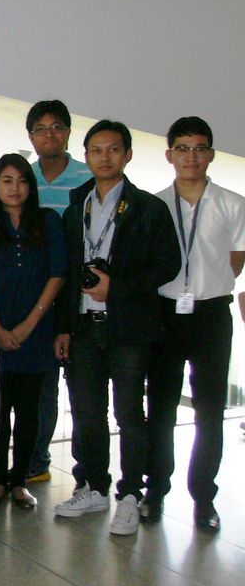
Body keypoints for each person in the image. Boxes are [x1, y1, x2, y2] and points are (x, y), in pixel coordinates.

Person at [53, 120, 180, 536]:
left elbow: (167, 265)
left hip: (129, 327)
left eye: (113, 150)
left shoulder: (148, 208)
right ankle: (93, 486)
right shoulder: (77, 208)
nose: (104, 158)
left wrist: (118, 289)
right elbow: (67, 275)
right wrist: (64, 326)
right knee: (88, 412)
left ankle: (130, 494)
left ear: (127, 155)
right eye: (96, 151)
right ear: (85, 156)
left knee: (129, 414)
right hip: (85, 327)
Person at [143, 117, 245, 531]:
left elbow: (235, 263)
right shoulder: (153, 205)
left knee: (209, 412)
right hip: (164, 315)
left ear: (211, 155)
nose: (191, 156)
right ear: (169, 155)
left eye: (200, 148)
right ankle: (155, 490)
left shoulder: (234, 204)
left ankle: (204, 497)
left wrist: (205, 284)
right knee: (161, 408)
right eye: (182, 148)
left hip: (211, 315)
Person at [0, 154, 66, 509]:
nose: (14, 188)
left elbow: (57, 274)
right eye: (6, 180)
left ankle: (20, 480)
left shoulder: (48, 222)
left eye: (21, 180)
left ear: (31, 185)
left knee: (29, 411)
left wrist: (28, 325)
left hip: (35, 334)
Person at [25, 100, 92, 484]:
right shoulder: (24, 177)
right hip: (36, 298)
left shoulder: (87, 178)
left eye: (57, 127)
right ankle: (36, 460)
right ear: (30, 136)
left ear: (68, 132)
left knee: (83, 391)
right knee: (42, 386)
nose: (49, 134)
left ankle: (88, 473)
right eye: (40, 128)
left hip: (79, 299)